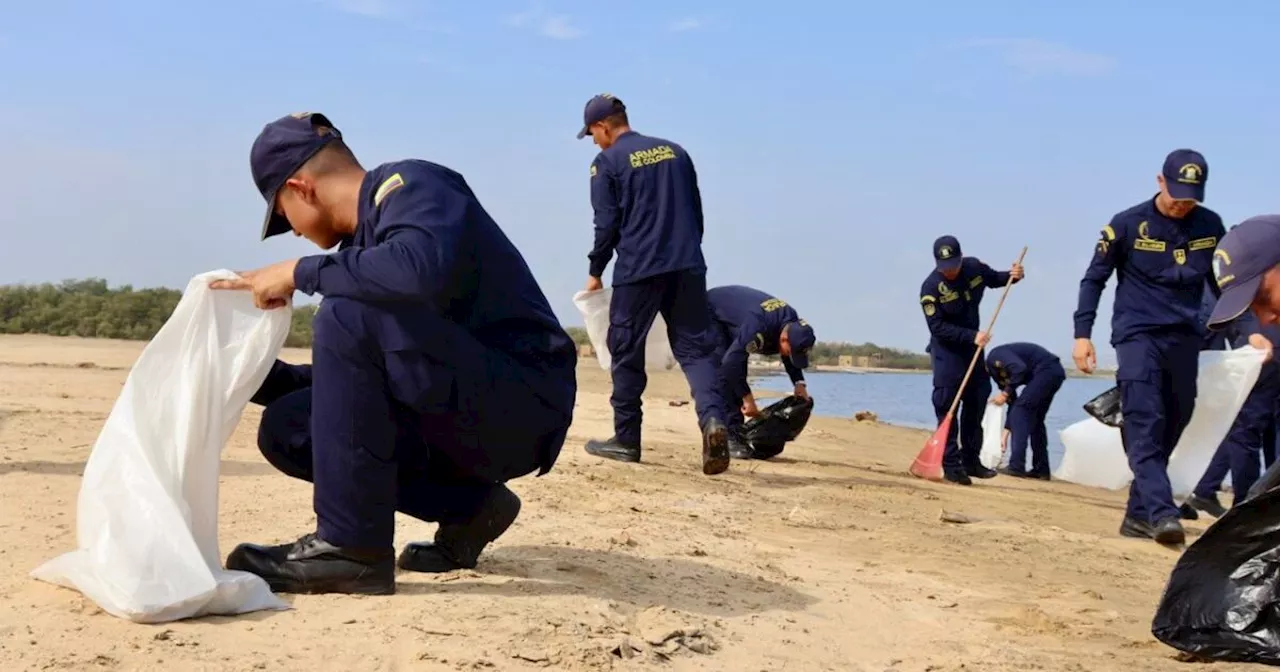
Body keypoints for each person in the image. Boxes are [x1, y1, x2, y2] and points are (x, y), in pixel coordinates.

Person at [208, 112, 578, 595]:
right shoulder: (366, 248)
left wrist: (301, 271)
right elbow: (358, 388)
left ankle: (351, 549)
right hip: (463, 406)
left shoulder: (414, 186)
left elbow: (414, 271)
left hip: (523, 403)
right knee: (290, 425)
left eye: (283, 217)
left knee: (346, 306)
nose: (294, 233)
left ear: (301, 188)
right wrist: (251, 375)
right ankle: (471, 508)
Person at [1073, 149, 1225, 546]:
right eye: (1176, 192)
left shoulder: (1210, 225)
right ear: (1160, 181)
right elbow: (1094, 280)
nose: (1181, 203)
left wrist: (1248, 328)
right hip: (1137, 334)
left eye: (1191, 196)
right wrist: (1082, 334)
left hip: (1185, 336)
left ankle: (1138, 515)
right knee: (1145, 420)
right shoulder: (1127, 224)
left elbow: (1224, 282)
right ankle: (1161, 513)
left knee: (1177, 416)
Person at [575, 93, 730, 475]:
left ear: (604, 126)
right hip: (688, 264)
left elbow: (606, 223)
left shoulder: (607, 162)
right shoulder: (677, 152)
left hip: (639, 269)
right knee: (696, 350)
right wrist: (688, 252)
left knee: (625, 347)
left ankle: (626, 440)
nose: (594, 141)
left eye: (593, 133)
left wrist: (596, 270)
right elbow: (696, 213)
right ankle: (714, 421)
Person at [919, 235, 1025, 485]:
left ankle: (971, 461)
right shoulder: (931, 288)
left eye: (954, 265)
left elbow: (995, 279)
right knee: (947, 405)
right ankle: (951, 464)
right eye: (945, 267)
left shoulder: (974, 267)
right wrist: (970, 336)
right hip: (948, 353)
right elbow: (937, 327)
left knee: (977, 401)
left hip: (974, 353)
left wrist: (1013, 275)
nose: (950, 271)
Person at [705, 285, 816, 459]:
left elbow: (788, 353)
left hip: (737, 313)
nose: (789, 355)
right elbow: (731, 364)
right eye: (790, 350)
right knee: (726, 370)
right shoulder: (758, 326)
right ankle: (730, 436)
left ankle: (734, 431)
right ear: (783, 338)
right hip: (710, 311)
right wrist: (747, 398)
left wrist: (799, 383)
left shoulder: (791, 323)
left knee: (735, 364)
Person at [986, 342, 1066, 480]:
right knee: (1035, 419)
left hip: (1047, 370)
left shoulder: (995, 356)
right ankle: (1041, 470)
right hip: (1053, 372)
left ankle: (1017, 466)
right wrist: (1005, 432)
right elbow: (1013, 402)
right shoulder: (997, 375)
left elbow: (1020, 368)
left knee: (1022, 410)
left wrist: (1004, 394)